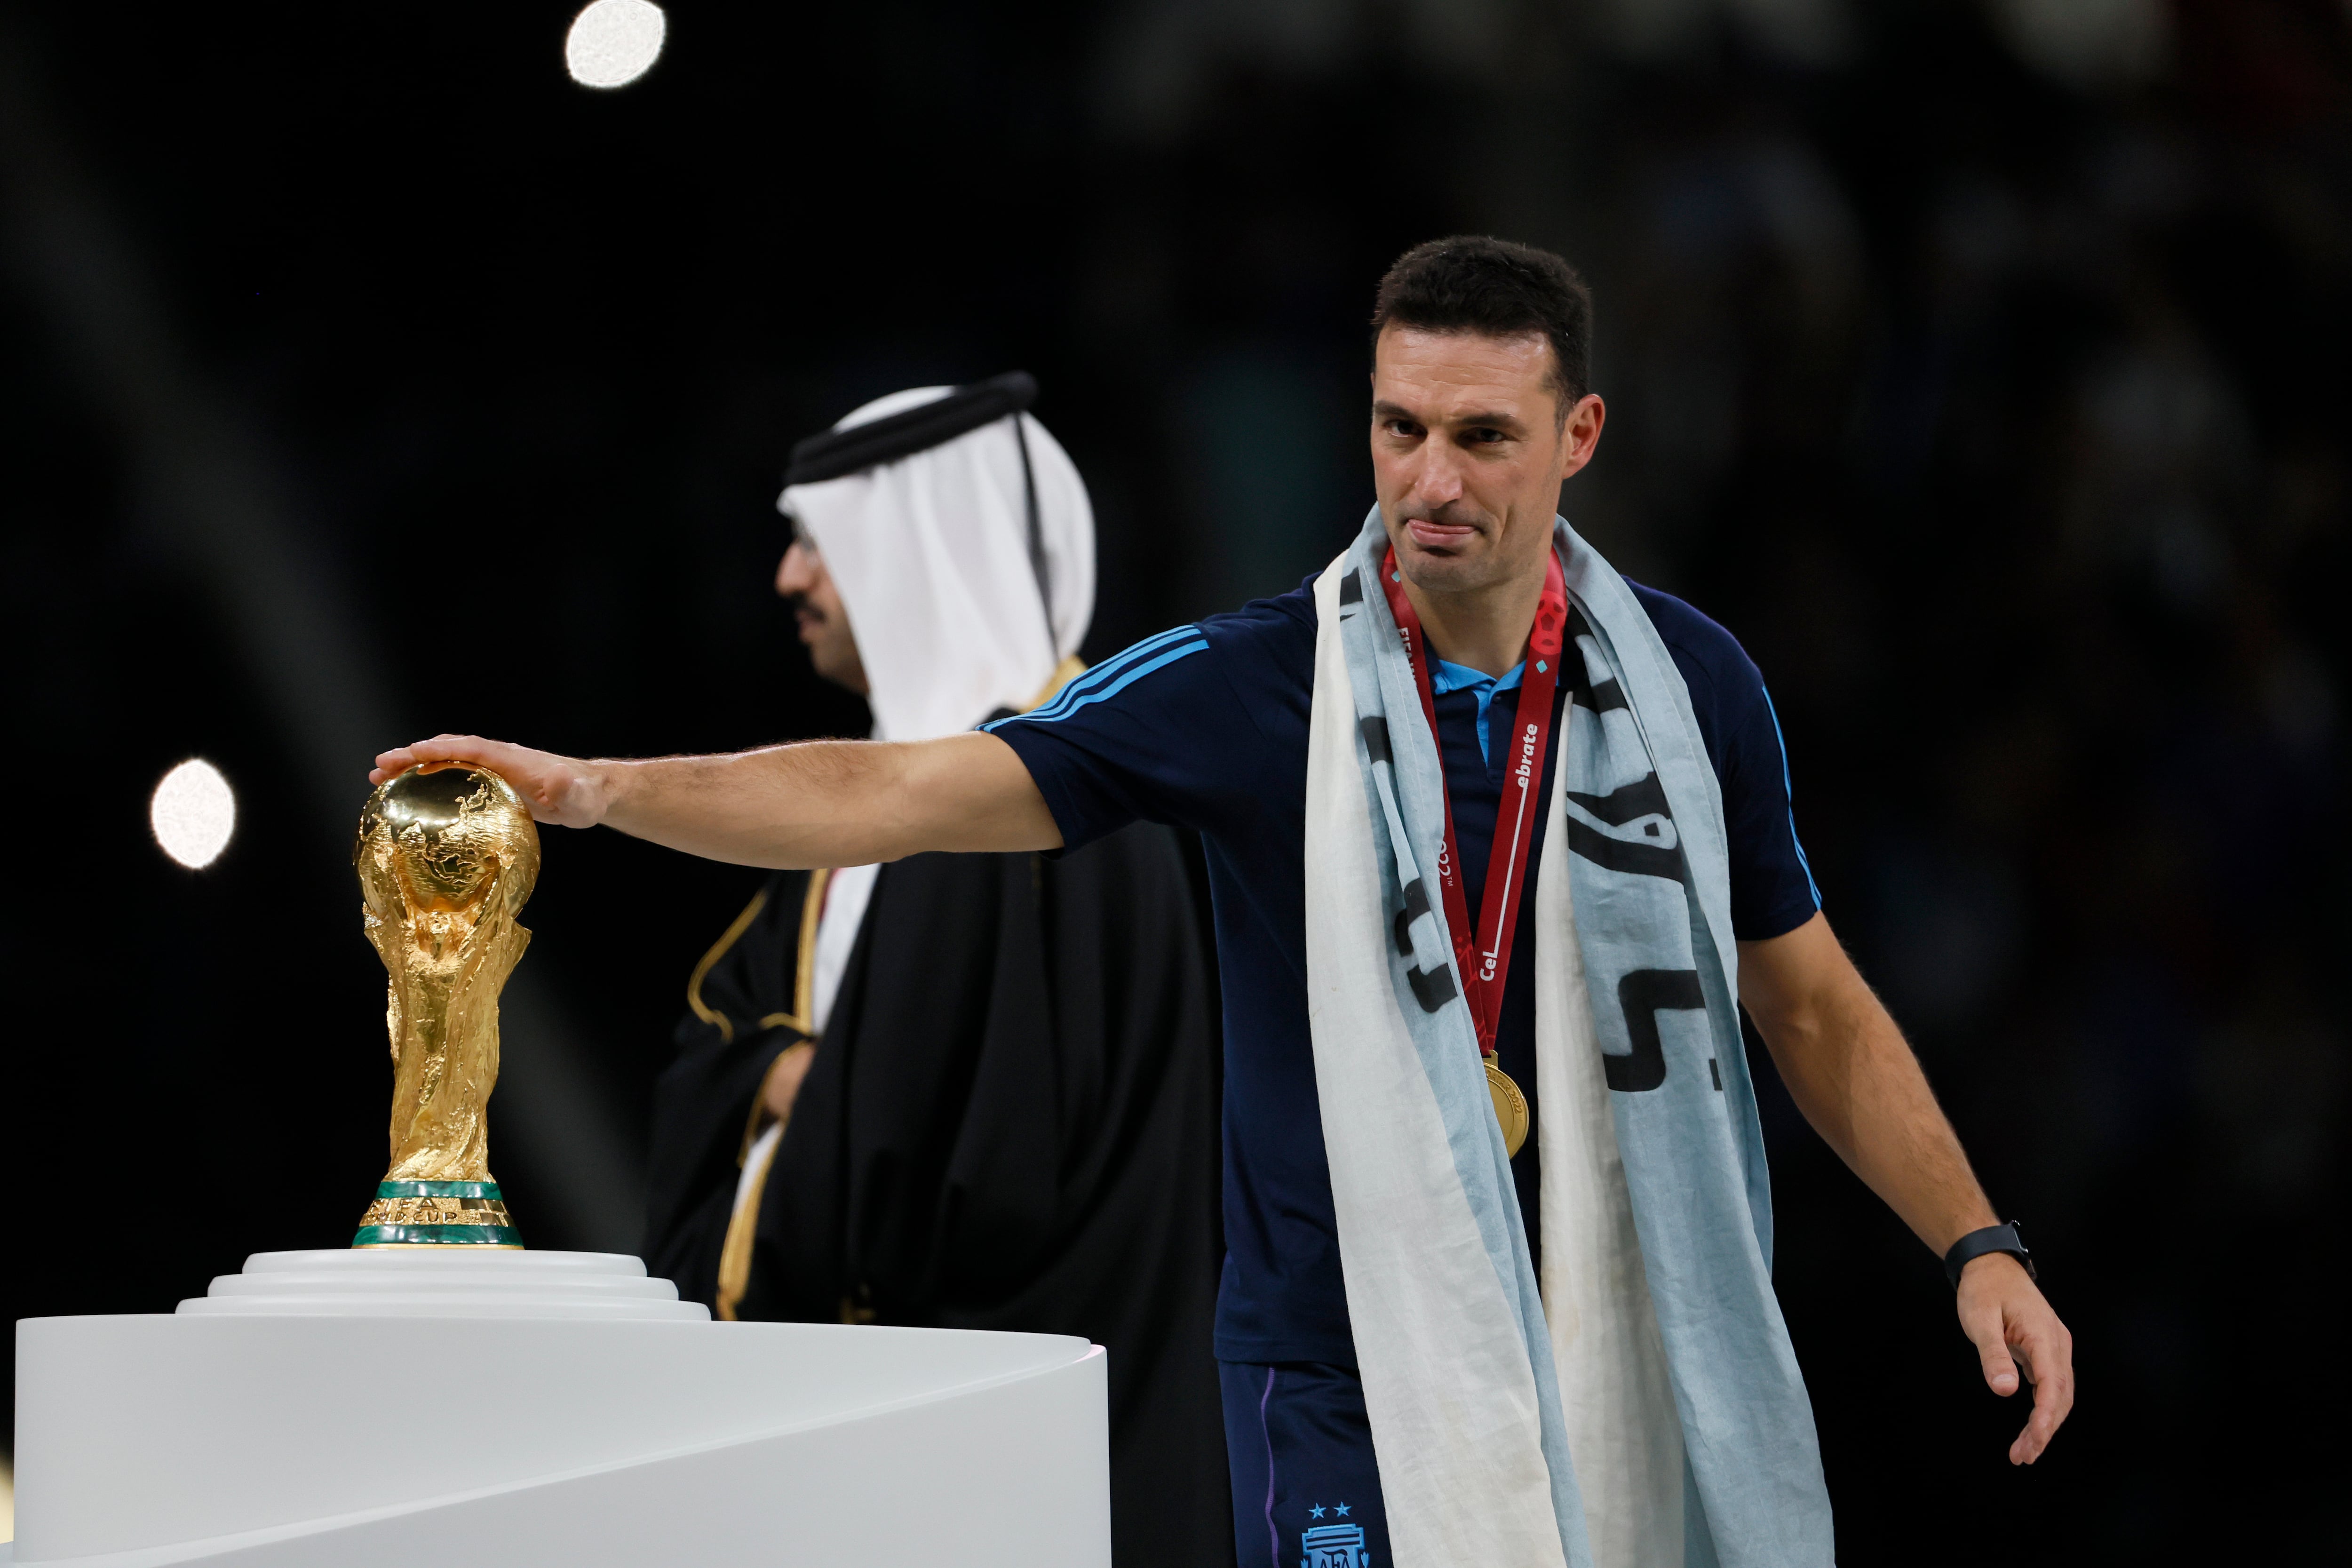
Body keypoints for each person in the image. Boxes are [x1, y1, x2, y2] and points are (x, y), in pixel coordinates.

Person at [376, 239, 2074, 1568]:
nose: (1433, 483)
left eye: (1485, 437)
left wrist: (1976, 1242)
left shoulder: (1690, 686)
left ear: (1580, 437)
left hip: (1608, 1339)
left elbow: (1813, 1003)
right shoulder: (1255, 683)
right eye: (1400, 428)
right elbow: (903, 790)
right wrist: (602, 789)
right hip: (1330, 1368)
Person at [635, 373, 1232, 1568]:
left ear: (916, 545)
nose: (789, 579)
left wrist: (813, 1088)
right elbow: (721, 1048)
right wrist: (793, 1078)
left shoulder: (1056, 810)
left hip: (1035, 1473)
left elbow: (968, 1174)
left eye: (815, 541)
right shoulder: (847, 845)